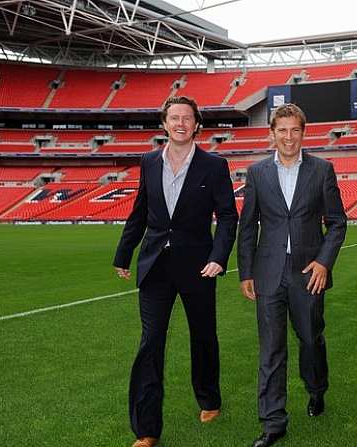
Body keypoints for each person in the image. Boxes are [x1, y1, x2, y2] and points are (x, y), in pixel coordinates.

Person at [113, 96, 238, 447]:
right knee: (150, 342)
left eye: (187, 118)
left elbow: (228, 216)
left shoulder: (214, 165)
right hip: (155, 266)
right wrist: (124, 252)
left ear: (197, 124)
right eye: (174, 118)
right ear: (164, 123)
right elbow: (141, 209)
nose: (180, 123)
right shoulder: (149, 161)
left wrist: (219, 256)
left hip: (199, 266)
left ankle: (209, 398)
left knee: (203, 337)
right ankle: (147, 429)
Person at [237, 103, 347, 447]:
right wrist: (246, 272)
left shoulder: (322, 170)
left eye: (294, 130)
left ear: (303, 132)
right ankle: (273, 421)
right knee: (271, 349)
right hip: (268, 272)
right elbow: (247, 227)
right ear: (272, 133)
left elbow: (337, 223)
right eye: (281, 130)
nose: (288, 137)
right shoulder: (256, 173)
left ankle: (316, 388)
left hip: (307, 272)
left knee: (310, 338)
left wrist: (324, 262)